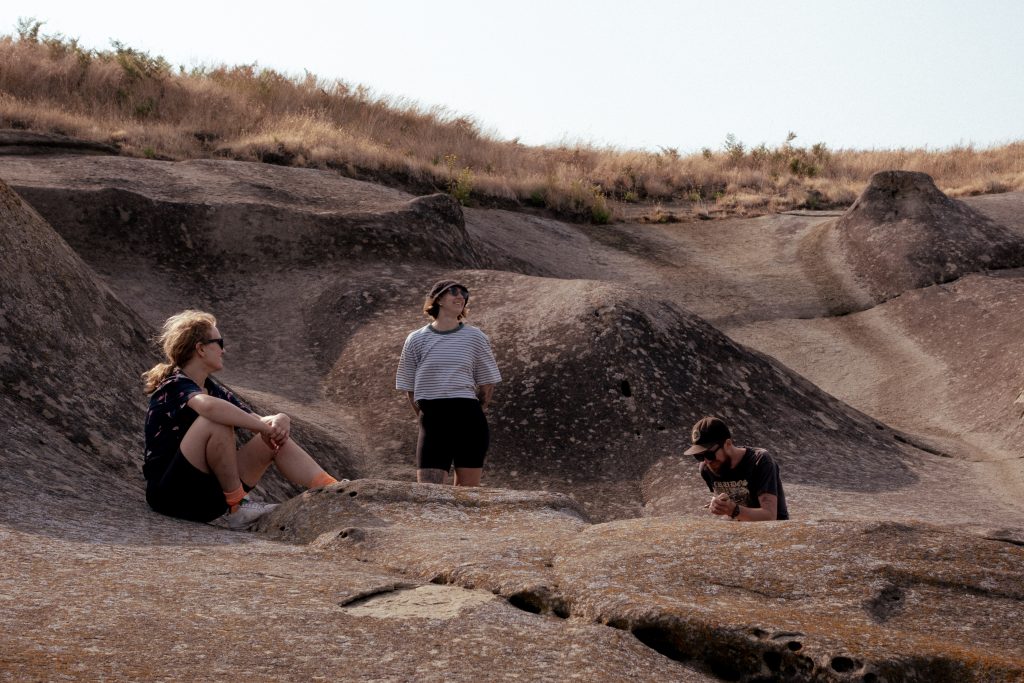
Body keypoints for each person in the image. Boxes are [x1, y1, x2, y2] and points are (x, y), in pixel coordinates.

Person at [142, 310, 340, 529]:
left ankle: (331, 488)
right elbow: (209, 408)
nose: (224, 350)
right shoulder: (174, 384)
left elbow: (256, 419)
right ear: (200, 348)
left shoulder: (212, 388)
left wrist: (279, 419)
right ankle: (239, 505)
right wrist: (263, 427)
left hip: (210, 499)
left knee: (270, 441)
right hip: (171, 495)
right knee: (216, 421)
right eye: (219, 342)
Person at [396, 280, 502, 486]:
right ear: (437, 299)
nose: (461, 296)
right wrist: (425, 416)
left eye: (464, 294)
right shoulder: (416, 339)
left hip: (469, 418)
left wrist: (477, 410)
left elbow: (487, 383)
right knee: (428, 492)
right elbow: (409, 386)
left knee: (467, 496)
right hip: (433, 419)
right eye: (454, 291)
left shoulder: (475, 337)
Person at [684, 416, 789, 521]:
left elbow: (770, 516)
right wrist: (720, 506)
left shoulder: (760, 461)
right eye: (699, 456)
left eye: (710, 454)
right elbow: (727, 511)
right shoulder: (706, 468)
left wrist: (733, 510)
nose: (706, 461)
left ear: (728, 444)